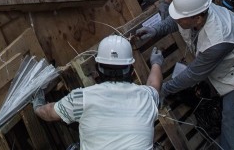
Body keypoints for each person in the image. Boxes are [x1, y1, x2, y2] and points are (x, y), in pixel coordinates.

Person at [135, 0, 234, 150]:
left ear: (198, 18)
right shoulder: (196, 11)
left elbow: (194, 74)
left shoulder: (218, 39)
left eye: (181, 18)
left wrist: (163, 89)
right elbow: (176, 22)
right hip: (231, 45)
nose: (177, 19)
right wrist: (156, 30)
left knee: (231, 110)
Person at [33, 34, 162, 149]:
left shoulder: (80, 98)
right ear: (132, 70)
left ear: (97, 70)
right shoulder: (147, 96)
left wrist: (37, 104)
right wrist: (156, 63)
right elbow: (154, 84)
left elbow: (48, 113)